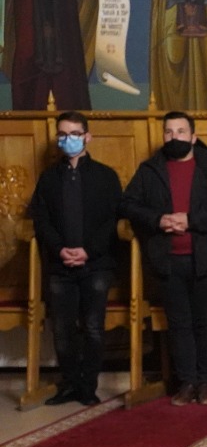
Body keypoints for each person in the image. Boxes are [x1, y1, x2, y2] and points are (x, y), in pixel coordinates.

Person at [121, 109, 207, 406]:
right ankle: (187, 382)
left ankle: (206, 383)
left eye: (180, 131)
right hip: (167, 260)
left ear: (193, 136)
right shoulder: (150, 169)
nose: (173, 137)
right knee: (179, 325)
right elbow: (127, 205)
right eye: (168, 132)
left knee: (206, 323)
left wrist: (191, 220)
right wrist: (159, 220)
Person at [29, 111, 122, 405]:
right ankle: (69, 384)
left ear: (87, 137)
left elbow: (113, 220)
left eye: (74, 134)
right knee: (62, 328)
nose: (67, 139)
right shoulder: (48, 178)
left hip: (96, 264)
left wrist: (88, 250)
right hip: (60, 265)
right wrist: (59, 249)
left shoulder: (106, 176)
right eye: (62, 134)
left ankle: (87, 386)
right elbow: (41, 220)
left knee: (93, 327)